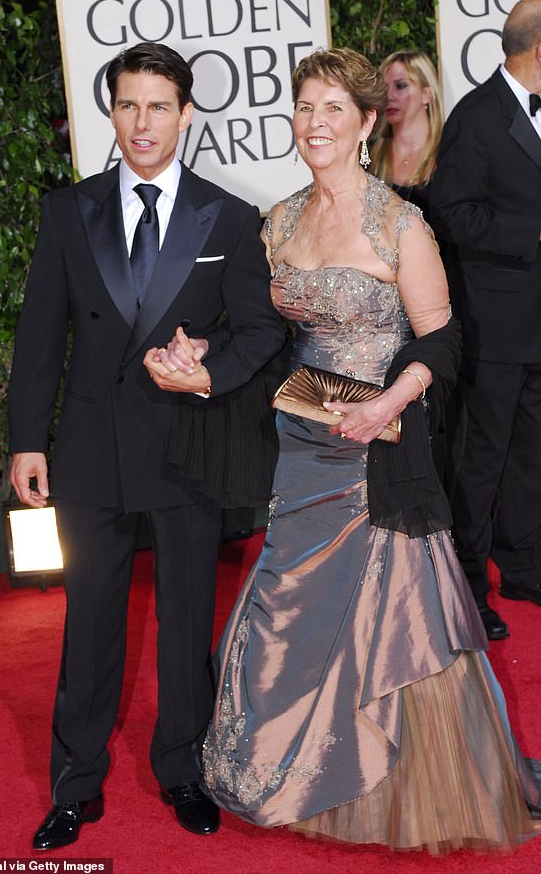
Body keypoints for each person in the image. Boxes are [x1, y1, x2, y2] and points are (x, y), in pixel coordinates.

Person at [191, 47, 541, 854]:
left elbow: (444, 337)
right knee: (289, 597)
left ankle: (390, 780)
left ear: (363, 124)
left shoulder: (399, 222)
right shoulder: (277, 222)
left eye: (332, 110)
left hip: (381, 445)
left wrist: (387, 399)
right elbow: (252, 332)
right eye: (304, 108)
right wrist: (195, 360)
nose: (315, 123)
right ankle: (293, 763)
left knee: (394, 616)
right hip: (302, 439)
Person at [7, 42, 285, 851]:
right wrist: (29, 440)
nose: (142, 123)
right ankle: (75, 782)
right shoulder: (69, 210)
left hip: (183, 445)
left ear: (186, 113)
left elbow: (259, 329)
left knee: (184, 617)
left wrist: (207, 376)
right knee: (89, 620)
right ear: (112, 112)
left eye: (158, 105)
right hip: (91, 445)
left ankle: (183, 769)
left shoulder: (228, 217)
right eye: (128, 105)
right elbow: (39, 336)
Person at [430, 0, 541, 642]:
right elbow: (451, 214)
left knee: (532, 454)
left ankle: (524, 564)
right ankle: (467, 584)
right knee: (482, 459)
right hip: (494, 328)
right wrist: (532, 231)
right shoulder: (476, 118)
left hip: (535, 326)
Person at [370, 49, 443, 226]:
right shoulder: (368, 155)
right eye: (383, 89)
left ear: (427, 94)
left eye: (400, 86)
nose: (389, 96)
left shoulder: (450, 154)